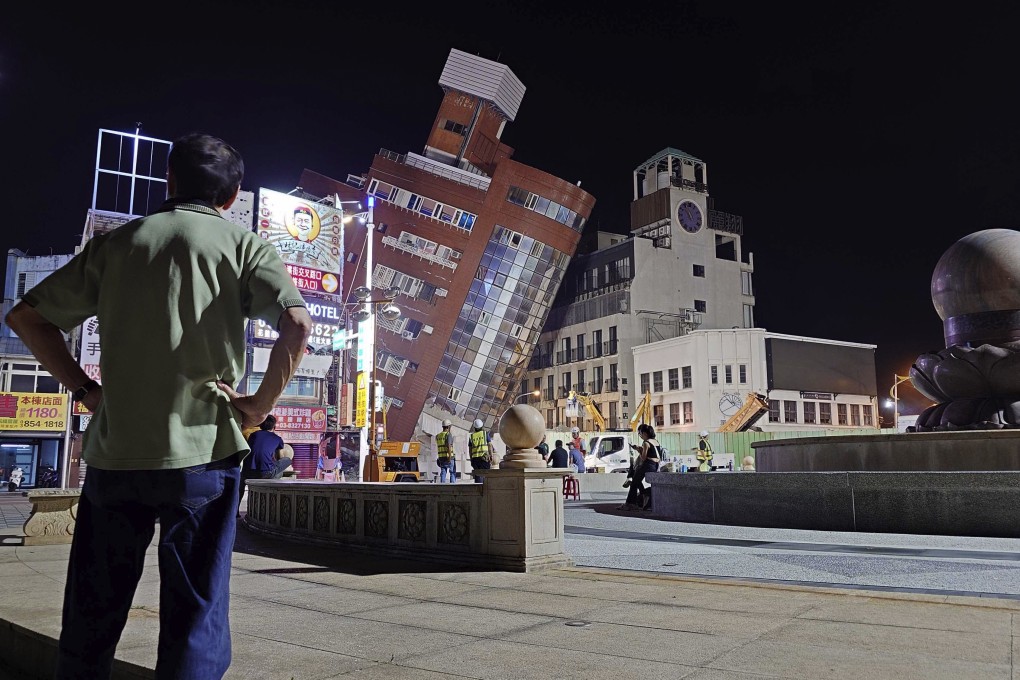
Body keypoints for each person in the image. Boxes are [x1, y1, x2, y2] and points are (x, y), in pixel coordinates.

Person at [5, 132, 313, 680]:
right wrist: (257, 407)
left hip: (115, 451)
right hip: (204, 454)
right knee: (195, 615)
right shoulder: (243, 246)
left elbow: (27, 318)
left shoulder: (118, 244)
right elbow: (296, 323)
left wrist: (85, 390)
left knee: (91, 612)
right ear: (234, 195)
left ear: (169, 180)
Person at [240, 415, 285, 514]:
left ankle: (235, 512)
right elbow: (280, 457)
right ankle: (274, 485)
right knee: (286, 461)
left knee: (240, 488)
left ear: (260, 425)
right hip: (265, 473)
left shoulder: (253, 435)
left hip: (247, 472)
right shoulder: (277, 439)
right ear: (274, 427)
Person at [618, 424, 661, 511]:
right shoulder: (655, 441)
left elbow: (643, 458)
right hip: (655, 465)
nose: (640, 435)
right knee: (635, 479)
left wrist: (638, 450)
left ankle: (630, 503)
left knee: (634, 482)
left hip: (648, 464)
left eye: (640, 433)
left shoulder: (646, 443)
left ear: (645, 433)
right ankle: (643, 493)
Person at [468, 418, 492, 483]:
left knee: (477, 476)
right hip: (484, 458)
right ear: (482, 426)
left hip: (475, 459)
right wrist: (491, 455)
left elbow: (470, 450)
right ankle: (486, 490)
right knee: (486, 475)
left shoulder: (471, 436)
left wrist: (471, 459)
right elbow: (490, 445)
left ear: (474, 427)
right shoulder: (485, 434)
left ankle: (478, 490)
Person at [436, 419, 456, 483]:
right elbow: (449, 447)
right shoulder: (448, 435)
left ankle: (442, 488)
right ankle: (452, 488)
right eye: (450, 426)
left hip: (441, 458)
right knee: (452, 472)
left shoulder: (438, 436)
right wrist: (449, 458)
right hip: (449, 457)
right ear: (448, 427)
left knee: (443, 472)